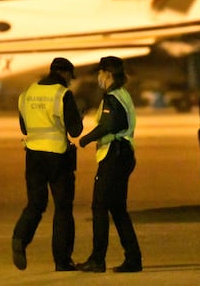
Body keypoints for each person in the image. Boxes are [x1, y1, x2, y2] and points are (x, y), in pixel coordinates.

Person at [11, 57, 83, 272]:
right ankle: (62, 261)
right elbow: (75, 131)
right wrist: (79, 116)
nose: (70, 81)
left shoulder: (28, 93)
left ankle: (20, 238)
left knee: (36, 204)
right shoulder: (62, 94)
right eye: (70, 77)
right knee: (62, 208)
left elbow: (25, 128)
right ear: (65, 73)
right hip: (58, 157)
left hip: (33, 156)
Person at [77, 56, 142, 273]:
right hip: (123, 154)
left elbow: (113, 123)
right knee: (118, 208)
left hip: (114, 156)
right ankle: (133, 258)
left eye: (99, 73)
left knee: (100, 207)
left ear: (107, 74)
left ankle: (97, 259)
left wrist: (87, 139)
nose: (98, 77)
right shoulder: (123, 95)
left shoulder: (112, 97)